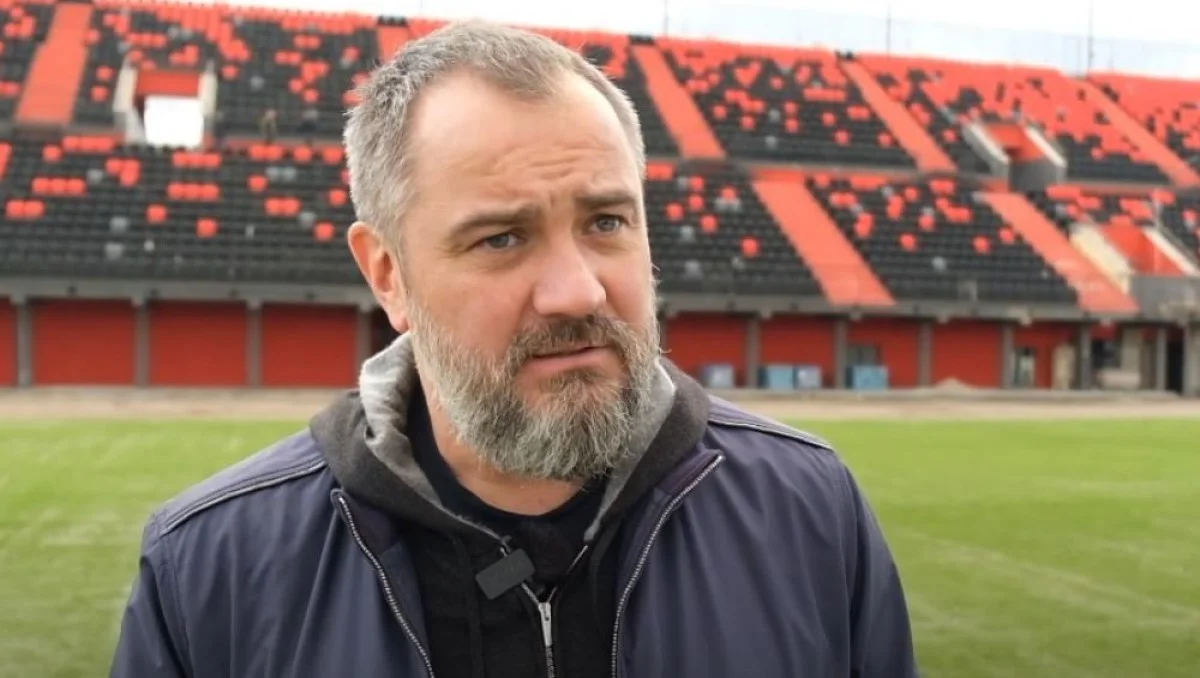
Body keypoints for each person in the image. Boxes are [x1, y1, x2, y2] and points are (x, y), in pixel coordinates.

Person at [109, 20, 918, 678]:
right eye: (502, 237)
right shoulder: (210, 568)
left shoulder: (812, 510)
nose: (578, 291)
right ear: (388, 274)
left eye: (606, 221)